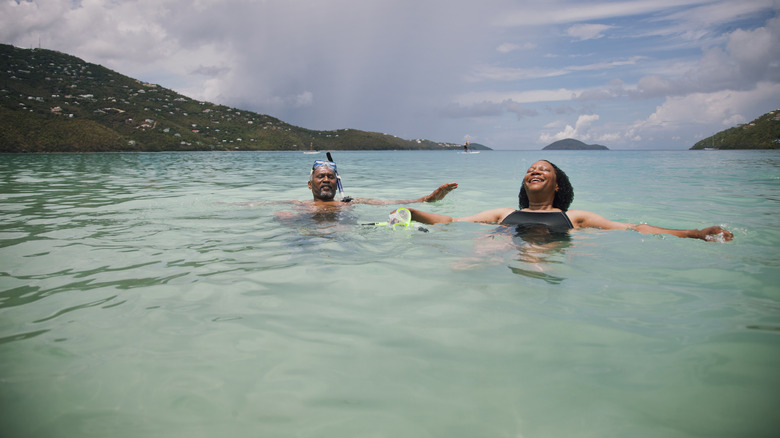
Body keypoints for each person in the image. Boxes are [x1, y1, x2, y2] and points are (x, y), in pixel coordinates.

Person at [399, 160, 733, 242]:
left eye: (543, 170)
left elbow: (633, 228)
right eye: (530, 169)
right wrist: (413, 212)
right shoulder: (505, 212)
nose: (534, 170)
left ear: (557, 185)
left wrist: (693, 233)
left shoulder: (577, 217)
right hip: (508, 247)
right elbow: (455, 223)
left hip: (554, 252)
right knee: (485, 248)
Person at [307, 159, 457, 205]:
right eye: (320, 176)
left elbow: (387, 203)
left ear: (336, 182)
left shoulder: (349, 202)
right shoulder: (299, 207)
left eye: (330, 176)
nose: (326, 179)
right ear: (310, 184)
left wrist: (428, 198)